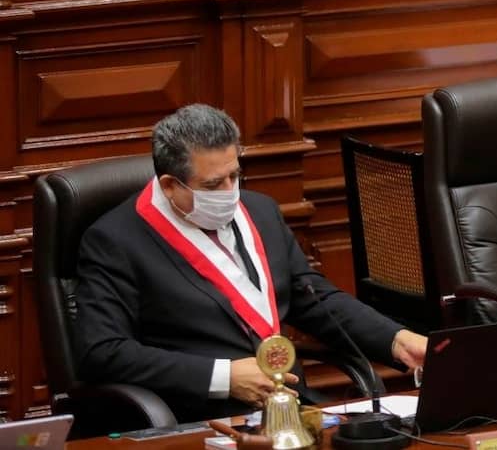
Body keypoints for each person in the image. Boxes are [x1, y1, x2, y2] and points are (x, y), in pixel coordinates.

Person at [75, 104, 428, 422]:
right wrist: (222, 378)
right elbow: (103, 352)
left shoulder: (260, 211)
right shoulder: (115, 241)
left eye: (235, 175)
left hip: (291, 408)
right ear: (169, 185)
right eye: (214, 183)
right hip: (201, 417)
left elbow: (312, 297)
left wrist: (395, 339)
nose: (230, 191)